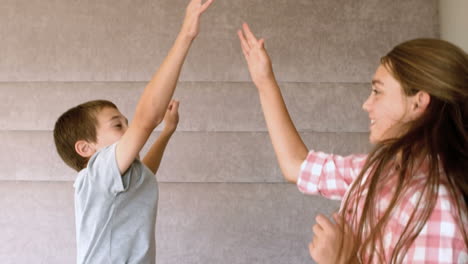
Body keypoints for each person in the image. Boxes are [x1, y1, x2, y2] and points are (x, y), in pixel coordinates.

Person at [237, 23, 468, 263]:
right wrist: (265, 81)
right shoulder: (379, 169)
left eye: (378, 92)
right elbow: (296, 165)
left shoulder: (437, 210)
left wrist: (342, 261)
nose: (366, 105)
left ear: (418, 103)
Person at [53, 1, 213, 263]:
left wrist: (166, 133)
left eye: (127, 123)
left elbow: (145, 174)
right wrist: (186, 34)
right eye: (118, 125)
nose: (129, 131)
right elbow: (146, 118)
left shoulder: (117, 176)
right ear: (85, 148)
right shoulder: (97, 173)